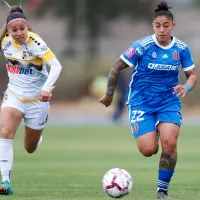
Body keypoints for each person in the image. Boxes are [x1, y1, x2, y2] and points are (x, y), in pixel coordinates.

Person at [99, 1, 197, 199]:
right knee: (149, 149)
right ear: (153, 25)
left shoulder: (181, 49)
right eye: (158, 26)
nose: (162, 30)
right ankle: (156, 131)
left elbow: (192, 75)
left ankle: (162, 191)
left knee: (170, 141)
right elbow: (116, 67)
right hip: (141, 102)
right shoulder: (141, 46)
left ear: (173, 26)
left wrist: (186, 86)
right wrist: (109, 95)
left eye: (166, 26)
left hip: (168, 101)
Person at [0, 2, 62, 195]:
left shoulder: (35, 43)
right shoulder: (4, 41)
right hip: (14, 97)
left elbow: (56, 66)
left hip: (37, 102)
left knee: (30, 147)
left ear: (27, 26)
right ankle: (5, 182)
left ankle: (37, 137)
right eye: (14, 29)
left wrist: (46, 89)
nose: (19, 33)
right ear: (8, 30)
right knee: (5, 132)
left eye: (22, 28)